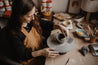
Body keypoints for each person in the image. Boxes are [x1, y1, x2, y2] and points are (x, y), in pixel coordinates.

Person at [0, 0, 60, 65]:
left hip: (41, 52)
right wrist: (41, 52)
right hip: (30, 61)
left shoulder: (30, 20)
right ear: (18, 16)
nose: (33, 18)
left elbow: (43, 23)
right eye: (29, 16)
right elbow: (22, 55)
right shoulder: (14, 33)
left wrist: (58, 26)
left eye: (34, 14)